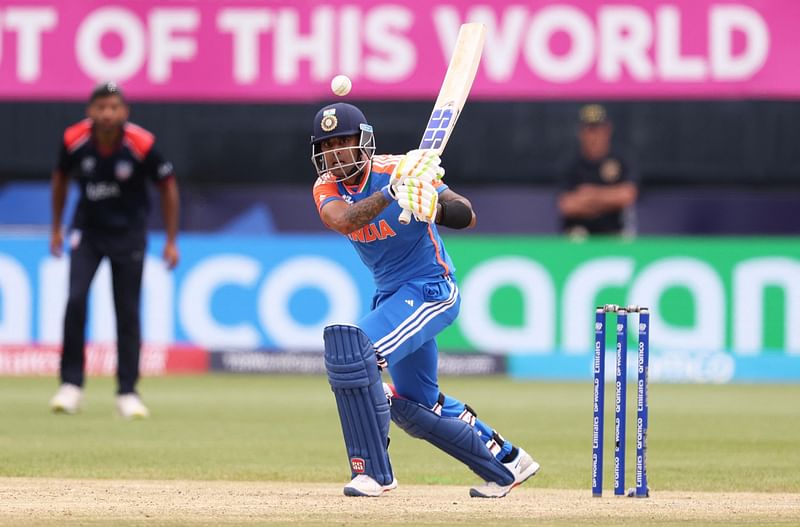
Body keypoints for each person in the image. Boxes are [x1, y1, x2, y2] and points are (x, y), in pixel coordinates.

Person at [311, 102, 539, 498]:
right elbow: (344, 221)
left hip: (431, 288)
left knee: (354, 351)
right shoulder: (329, 187)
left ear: (364, 142)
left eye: (344, 142)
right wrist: (391, 194)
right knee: (417, 408)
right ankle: (506, 462)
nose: (336, 154)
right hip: (391, 298)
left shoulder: (403, 168)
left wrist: (434, 206)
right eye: (327, 146)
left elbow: (466, 214)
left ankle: (374, 473)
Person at [48, 82, 180, 419]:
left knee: (127, 311)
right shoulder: (73, 139)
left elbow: (167, 187)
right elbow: (60, 180)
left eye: (114, 107)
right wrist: (56, 228)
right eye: (101, 107)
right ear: (90, 111)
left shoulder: (141, 144)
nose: (108, 114)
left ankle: (127, 392)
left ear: (125, 112)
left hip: (128, 235)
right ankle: (71, 386)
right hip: (87, 232)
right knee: (75, 300)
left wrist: (170, 239)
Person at [557, 104, 638, 237]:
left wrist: (590, 194)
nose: (594, 136)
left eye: (598, 129)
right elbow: (567, 205)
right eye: (590, 130)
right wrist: (609, 202)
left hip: (615, 231)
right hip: (580, 232)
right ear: (581, 132)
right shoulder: (571, 164)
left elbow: (627, 195)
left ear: (608, 130)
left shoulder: (621, 159)